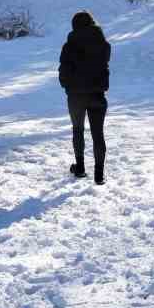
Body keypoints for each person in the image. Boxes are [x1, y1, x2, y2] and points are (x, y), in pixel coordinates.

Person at [59, 10, 111, 184]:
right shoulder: (103, 45)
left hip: (75, 97)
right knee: (98, 134)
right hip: (97, 95)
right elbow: (104, 67)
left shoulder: (69, 46)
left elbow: (63, 73)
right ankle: (99, 174)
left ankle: (80, 168)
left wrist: (68, 87)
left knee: (78, 130)